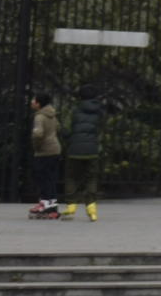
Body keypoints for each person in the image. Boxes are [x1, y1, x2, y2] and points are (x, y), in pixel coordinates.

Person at [61, 88, 105, 220]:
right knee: (91, 178)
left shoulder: (74, 110)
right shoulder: (99, 112)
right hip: (92, 149)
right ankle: (91, 208)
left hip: (75, 149)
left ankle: (71, 206)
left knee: (71, 177)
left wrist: (69, 140)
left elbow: (66, 129)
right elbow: (101, 131)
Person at [26, 92, 63, 218]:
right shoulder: (52, 114)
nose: (32, 102)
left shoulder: (40, 117)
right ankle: (51, 206)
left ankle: (46, 206)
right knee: (50, 179)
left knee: (43, 179)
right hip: (55, 149)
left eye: (33, 100)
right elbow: (58, 127)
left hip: (44, 151)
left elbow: (38, 134)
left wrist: (36, 146)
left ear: (38, 103)